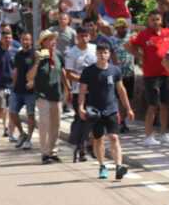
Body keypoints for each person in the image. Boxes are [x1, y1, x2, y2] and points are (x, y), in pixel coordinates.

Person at [79, 44, 134, 180]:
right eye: (100, 53)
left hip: (111, 109)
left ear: (109, 54)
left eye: (105, 52)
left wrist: (128, 108)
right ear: (96, 54)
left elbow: (121, 90)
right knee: (98, 139)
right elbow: (82, 91)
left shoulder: (115, 70)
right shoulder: (89, 71)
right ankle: (102, 166)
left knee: (114, 137)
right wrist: (81, 107)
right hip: (95, 110)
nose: (102, 55)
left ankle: (119, 166)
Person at [127, 10, 169, 146]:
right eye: (152, 19)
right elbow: (128, 45)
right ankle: (148, 136)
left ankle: (163, 134)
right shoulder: (143, 34)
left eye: (157, 19)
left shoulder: (168, 32)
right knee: (153, 106)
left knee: (165, 105)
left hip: (166, 74)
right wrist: (139, 56)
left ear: (161, 20)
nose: (155, 22)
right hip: (151, 75)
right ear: (148, 21)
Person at [27, 30, 66, 164]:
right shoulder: (37, 55)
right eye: (49, 39)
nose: (52, 42)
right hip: (43, 95)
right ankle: (44, 153)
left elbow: (62, 72)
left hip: (57, 94)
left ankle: (53, 151)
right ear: (43, 43)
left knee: (56, 124)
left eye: (53, 39)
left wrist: (68, 88)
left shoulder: (58, 54)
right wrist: (37, 62)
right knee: (44, 124)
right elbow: (29, 77)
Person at [64, 26, 97, 162]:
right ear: (77, 37)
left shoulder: (94, 49)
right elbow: (68, 73)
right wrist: (84, 80)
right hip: (78, 91)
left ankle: (91, 145)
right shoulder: (72, 53)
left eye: (86, 35)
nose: (84, 38)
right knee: (81, 119)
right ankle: (80, 147)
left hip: (94, 91)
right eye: (81, 36)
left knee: (95, 118)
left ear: (90, 36)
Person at [0, 27, 18, 140]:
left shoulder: (15, 51)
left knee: (9, 108)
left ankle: (7, 129)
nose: (8, 40)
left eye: (9, 38)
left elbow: (17, 68)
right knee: (0, 108)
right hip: (0, 85)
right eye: (5, 38)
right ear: (1, 39)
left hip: (12, 85)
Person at [10, 32, 37, 150]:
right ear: (20, 41)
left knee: (30, 114)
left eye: (27, 39)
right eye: (23, 39)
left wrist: (34, 82)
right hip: (17, 89)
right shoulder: (18, 55)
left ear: (31, 41)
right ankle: (22, 133)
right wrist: (13, 85)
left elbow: (39, 71)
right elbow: (16, 71)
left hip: (30, 91)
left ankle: (29, 139)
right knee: (12, 112)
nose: (25, 42)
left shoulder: (35, 54)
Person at [113, 18, 136, 133]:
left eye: (124, 27)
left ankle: (123, 121)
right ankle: (119, 121)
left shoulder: (131, 38)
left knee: (128, 97)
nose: (123, 29)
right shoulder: (112, 40)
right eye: (120, 27)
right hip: (117, 73)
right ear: (116, 28)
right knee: (118, 98)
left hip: (129, 72)